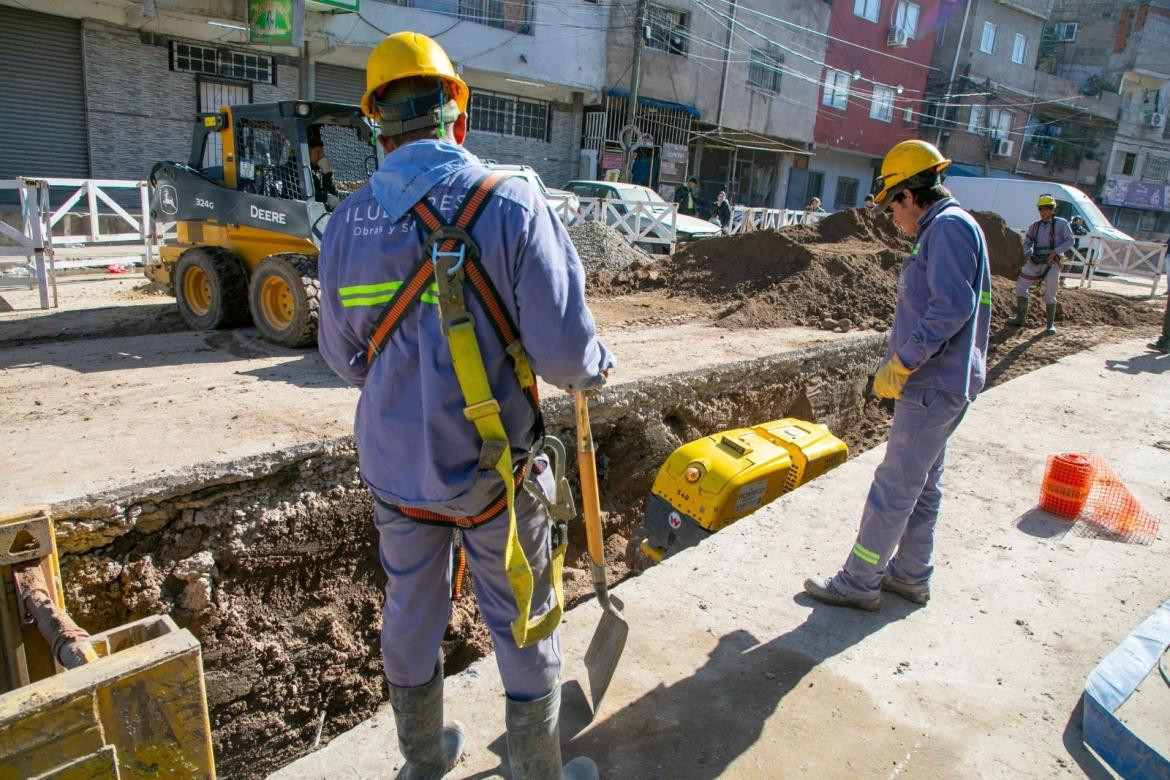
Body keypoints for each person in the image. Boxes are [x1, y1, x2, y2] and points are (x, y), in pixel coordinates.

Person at [316, 31, 612, 779]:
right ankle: (535, 771)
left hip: (395, 473)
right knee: (521, 621)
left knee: (411, 613)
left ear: (375, 125)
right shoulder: (512, 201)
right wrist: (593, 368)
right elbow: (566, 357)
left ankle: (421, 765)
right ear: (459, 116)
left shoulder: (347, 224)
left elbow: (342, 357)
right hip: (492, 476)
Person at [804, 140, 991, 611]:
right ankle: (909, 575)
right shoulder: (951, 228)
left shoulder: (946, 229)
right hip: (946, 383)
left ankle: (859, 581)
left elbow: (952, 307)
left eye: (893, 207)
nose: (893, 217)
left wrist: (905, 360)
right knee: (923, 485)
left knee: (895, 486)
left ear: (910, 194)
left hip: (932, 383)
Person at [1008, 194, 1073, 335]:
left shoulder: (1061, 224)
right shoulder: (1034, 226)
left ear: (1053, 210)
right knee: (1021, 286)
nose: (1043, 212)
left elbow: (1070, 241)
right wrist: (1029, 253)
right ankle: (1020, 318)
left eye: (1046, 209)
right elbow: (1027, 242)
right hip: (1035, 260)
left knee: (1050, 293)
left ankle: (1050, 325)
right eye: (1041, 209)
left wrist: (1055, 252)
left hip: (1052, 262)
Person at [308, 131, 340, 209]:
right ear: (307, 153)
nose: (321, 155)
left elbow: (333, 194)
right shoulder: (296, 169)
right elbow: (302, 193)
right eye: (317, 152)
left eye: (322, 152)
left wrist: (327, 173)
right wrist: (326, 197)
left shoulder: (318, 170)